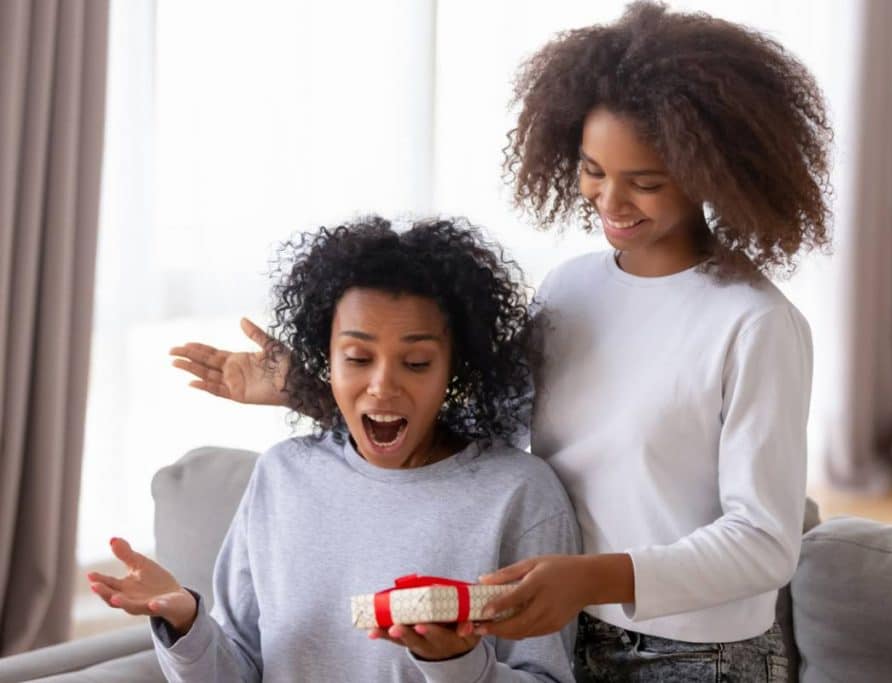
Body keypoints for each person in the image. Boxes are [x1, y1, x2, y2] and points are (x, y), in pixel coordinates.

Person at [171, 3, 831, 679]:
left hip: (697, 656)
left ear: (711, 170)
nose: (610, 202)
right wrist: (310, 384)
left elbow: (764, 543)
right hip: (563, 631)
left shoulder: (754, 323)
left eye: (646, 183)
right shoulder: (570, 291)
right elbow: (479, 421)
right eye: (593, 170)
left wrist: (589, 577)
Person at [89, 217, 580, 682]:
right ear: (326, 359)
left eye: (416, 361)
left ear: (456, 367)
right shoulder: (284, 475)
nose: (383, 386)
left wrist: (457, 661)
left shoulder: (518, 493)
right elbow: (235, 669)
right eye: (358, 358)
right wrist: (183, 617)